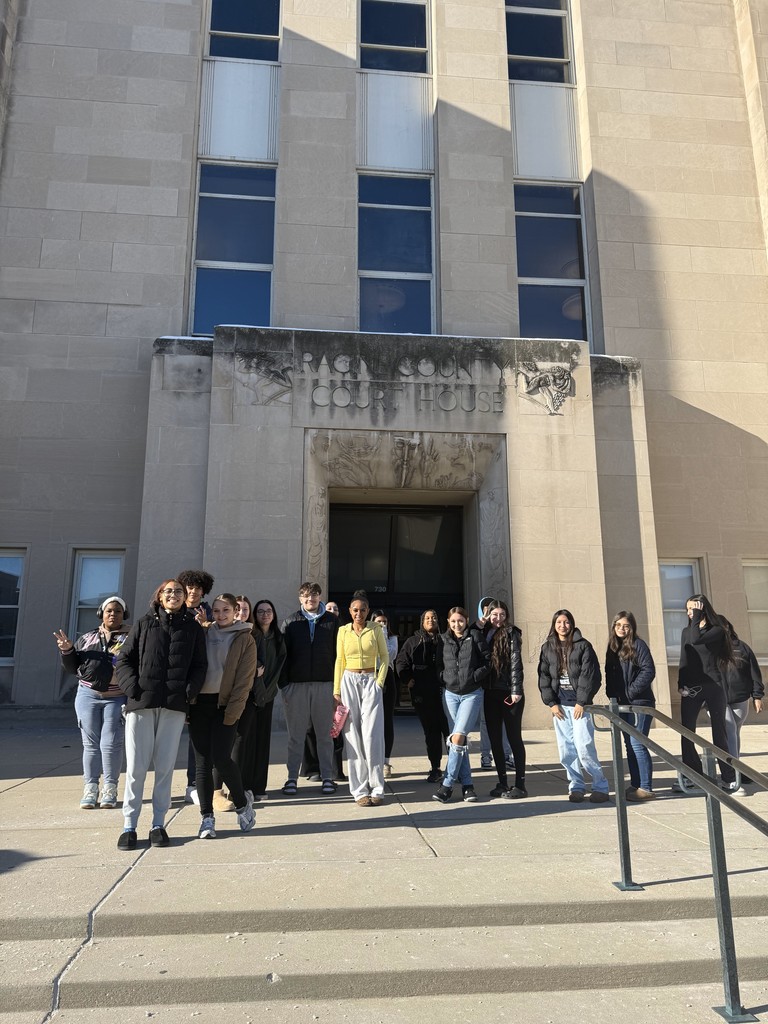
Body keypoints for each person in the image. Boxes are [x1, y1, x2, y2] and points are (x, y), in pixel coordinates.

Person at [115, 579, 207, 849]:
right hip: (142, 704)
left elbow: (200, 665)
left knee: (165, 768)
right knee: (136, 768)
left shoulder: (192, 627)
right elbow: (124, 660)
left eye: (179, 592)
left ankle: (158, 824)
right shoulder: (144, 624)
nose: (174, 595)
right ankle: (129, 825)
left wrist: (188, 692)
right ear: (159, 596)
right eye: (169, 591)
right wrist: (133, 689)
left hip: (174, 706)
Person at [189, 593, 257, 838]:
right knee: (202, 763)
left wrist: (233, 712)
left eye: (226, 611)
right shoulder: (204, 632)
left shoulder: (245, 638)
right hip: (199, 704)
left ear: (235, 610)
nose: (221, 615)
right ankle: (207, 818)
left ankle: (242, 804)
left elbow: (244, 681)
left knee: (221, 758)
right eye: (216, 611)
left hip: (225, 706)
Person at [55, 596, 131, 809]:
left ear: (123, 614)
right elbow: (72, 668)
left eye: (117, 611)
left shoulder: (132, 636)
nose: (112, 614)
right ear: (101, 613)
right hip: (87, 696)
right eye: (108, 611)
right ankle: (90, 788)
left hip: (117, 697)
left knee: (111, 743)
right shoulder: (88, 637)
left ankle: (110, 787)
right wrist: (67, 650)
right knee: (90, 744)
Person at [538, 609, 609, 804]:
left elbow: (591, 675)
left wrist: (582, 701)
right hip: (560, 708)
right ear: (554, 625)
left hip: (580, 707)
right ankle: (576, 786)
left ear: (572, 624)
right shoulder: (547, 647)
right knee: (566, 750)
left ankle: (600, 786)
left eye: (566, 622)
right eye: (559, 622)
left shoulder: (583, 646)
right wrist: (551, 703)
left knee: (584, 747)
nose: (563, 625)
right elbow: (543, 676)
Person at [280, 582, 340, 795]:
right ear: (300, 599)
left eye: (313, 595)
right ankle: (291, 779)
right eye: (305, 596)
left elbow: (339, 656)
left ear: (319, 596)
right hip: (296, 686)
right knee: (295, 736)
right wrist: (285, 686)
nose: (310, 599)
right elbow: (282, 656)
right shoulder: (290, 622)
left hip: (325, 685)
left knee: (324, 735)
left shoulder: (333, 622)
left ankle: (327, 777)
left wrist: (337, 687)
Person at [675, 595, 737, 792]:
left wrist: (698, 617)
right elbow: (684, 658)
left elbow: (697, 638)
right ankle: (692, 774)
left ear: (702, 610)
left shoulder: (717, 631)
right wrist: (680, 683)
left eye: (692, 609)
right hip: (692, 687)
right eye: (687, 610)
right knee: (687, 732)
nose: (689, 613)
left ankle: (728, 777)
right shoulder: (687, 631)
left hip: (714, 687)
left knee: (720, 733)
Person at [334, 590, 389, 806]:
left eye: (363, 610)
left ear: (368, 611)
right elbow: (339, 659)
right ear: (350, 611)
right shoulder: (342, 631)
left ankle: (377, 787)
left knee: (372, 734)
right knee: (352, 734)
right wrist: (336, 690)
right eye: (355, 610)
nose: (359, 613)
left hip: (370, 680)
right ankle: (359, 790)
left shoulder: (376, 629)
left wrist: (379, 681)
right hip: (348, 680)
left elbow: (384, 656)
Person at [433, 607, 489, 804]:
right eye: (453, 621)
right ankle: (467, 787)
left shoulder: (475, 635)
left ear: (466, 620)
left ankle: (447, 785)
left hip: (471, 693)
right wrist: (444, 677)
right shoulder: (442, 639)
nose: (457, 624)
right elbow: (438, 664)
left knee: (457, 738)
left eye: (461, 621)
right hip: (450, 694)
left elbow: (487, 661)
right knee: (458, 741)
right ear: (448, 622)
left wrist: (474, 677)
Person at [604, 611, 656, 801]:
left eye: (625, 626)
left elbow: (648, 670)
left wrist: (630, 692)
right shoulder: (613, 647)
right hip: (622, 704)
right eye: (618, 625)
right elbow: (609, 674)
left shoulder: (638, 645)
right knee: (629, 744)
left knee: (637, 743)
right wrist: (612, 697)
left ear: (632, 627)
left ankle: (646, 787)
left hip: (639, 703)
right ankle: (636, 784)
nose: (621, 629)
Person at [396, 609, 448, 783]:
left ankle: (455, 767)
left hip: (445, 691)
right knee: (431, 732)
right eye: (427, 618)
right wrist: (407, 679)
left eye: (433, 617)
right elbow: (401, 662)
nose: (431, 620)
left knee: (450, 731)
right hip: (423, 692)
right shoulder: (413, 641)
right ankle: (435, 768)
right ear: (422, 621)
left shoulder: (445, 639)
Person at [177, 568, 215, 805]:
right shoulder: (175, 611)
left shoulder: (210, 612)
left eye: (197, 588)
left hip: (204, 681)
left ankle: (196, 782)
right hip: (179, 680)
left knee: (200, 737)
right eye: (189, 587)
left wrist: (206, 626)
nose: (193, 592)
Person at [483, 600, 527, 799]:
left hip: (509, 692)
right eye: (494, 615)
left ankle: (520, 784)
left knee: (513, 737)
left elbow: (516, 663)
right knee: (494, 739)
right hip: (490, 692)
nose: (498, 618)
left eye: (501, 614)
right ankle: (502, 782)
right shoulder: (484, 632)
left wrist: (516, 689)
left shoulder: (512, 633)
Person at [247, 598, 287, 799]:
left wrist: (266, 691)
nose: (265, 615)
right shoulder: (250, 636)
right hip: (249, 695)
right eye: (260, 611)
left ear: (273, 614)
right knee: (247, 742)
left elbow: (278, 668)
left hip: (268, 695)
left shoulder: (278, 638)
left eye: (268, 611)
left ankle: (259, 788)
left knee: (262, 742)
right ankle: (245, 786)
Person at [721, 618, 764, 793]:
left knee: (735, 734)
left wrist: (757, 696)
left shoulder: (742, 647)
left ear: (729, 628)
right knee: (729, 730)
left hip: (740, 698)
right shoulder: (709, 648)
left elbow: (754, 672)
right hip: (718, 699)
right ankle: (732, 776)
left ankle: (734, 768)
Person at [371, 609, 398, 778]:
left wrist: (384, 635)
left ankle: (386, 761)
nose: (382, 625)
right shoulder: (367, 636)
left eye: (384, 622)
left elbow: (389, 656)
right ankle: (372, 761)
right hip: (371, 678)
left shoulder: (392, 638)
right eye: (378, 622)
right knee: (372, 722)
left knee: (387, 720)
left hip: (388, 677)